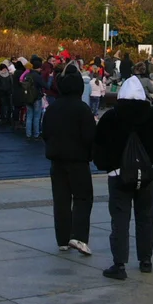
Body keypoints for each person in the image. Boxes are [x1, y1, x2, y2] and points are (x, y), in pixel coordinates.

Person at [94, 77, 153, 279]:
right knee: (145, 217)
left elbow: (99, 147)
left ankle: (119, 264)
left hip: (118, 175)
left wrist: (109, 166)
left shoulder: (111, 117)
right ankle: (146, 260)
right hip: (146, 175)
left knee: (120, 219)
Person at [42, 64, 96, 255]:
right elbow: (90, 136)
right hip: (78, 160)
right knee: (82, 198)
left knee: (61, 199)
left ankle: (63, 239)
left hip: (56, 160)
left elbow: (45, 132)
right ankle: (79, 236)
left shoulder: (53, 108)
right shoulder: (82, 109)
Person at [23, 57, 45, 140]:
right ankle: (36, 134)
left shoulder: (28, 74)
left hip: (28, 97)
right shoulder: (37, 76)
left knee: (29, 116)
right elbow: (45, 85)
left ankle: (28, 134)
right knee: (36, 117)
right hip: (36, 97)